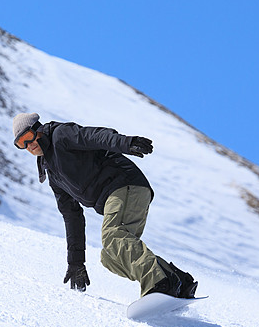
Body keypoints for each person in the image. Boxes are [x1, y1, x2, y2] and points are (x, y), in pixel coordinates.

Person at [12, 112, 197, 299]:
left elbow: (94, 137)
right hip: (120, 195)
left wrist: (126, 143)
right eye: (21, 144)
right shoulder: (53, 176)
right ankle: (177, 281)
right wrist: (76, 263)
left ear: (38, 130)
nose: (29, 146)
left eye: (28, 137)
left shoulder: (61, 135)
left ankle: (159, 283)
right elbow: (72, 217)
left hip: (124, 184)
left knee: (113, 235)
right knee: (110, 257)